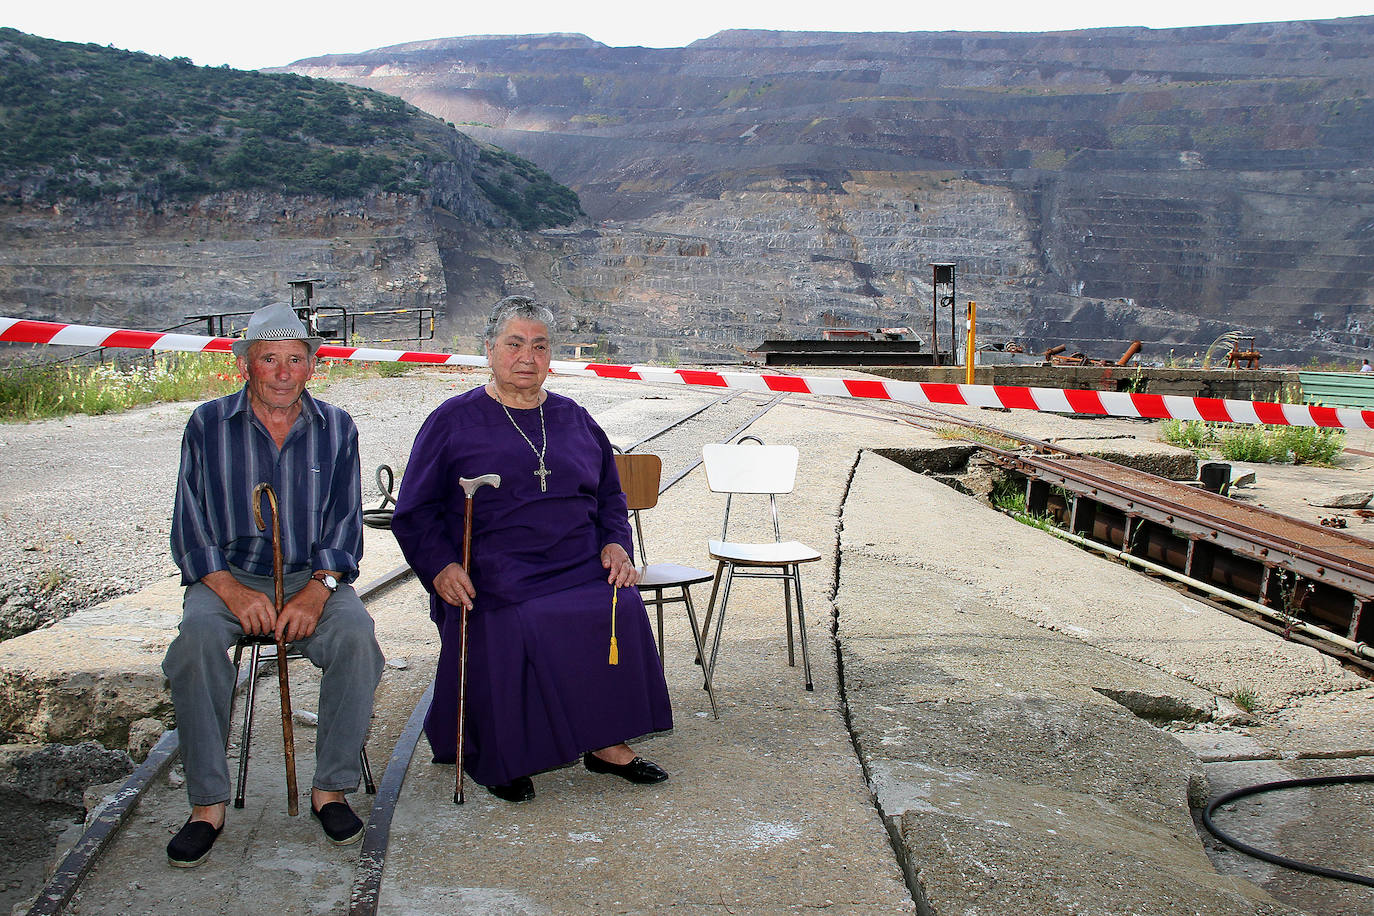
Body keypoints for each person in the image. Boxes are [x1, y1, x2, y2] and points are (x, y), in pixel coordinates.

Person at [390, 295, 672, 802]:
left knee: (619, 604)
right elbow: (414, 512)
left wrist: (615, 543)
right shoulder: (452, 421)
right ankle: (505, 752)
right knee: (523, 614)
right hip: (495, 565)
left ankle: (605, 742)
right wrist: (440, 565)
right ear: (489, 350)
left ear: (550, 356)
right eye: (514, 344)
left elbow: (610, 496)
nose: (528, 357)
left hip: (578, 557)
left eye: (539, 346)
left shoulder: (575, 418)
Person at [162, 302, 385, 866]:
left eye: (294, 359)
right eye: (269, 360)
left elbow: (344, 523)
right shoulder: (207, 425)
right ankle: (207, 804)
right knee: (195, 646)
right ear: (246, 365)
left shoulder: (338, 427)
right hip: (228, 577)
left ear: (312, 366)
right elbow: (191, 522)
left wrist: (318, 591)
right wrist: (234, 594)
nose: (283, 372)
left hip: (309, 576)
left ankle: (329, 789)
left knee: (358, 639)